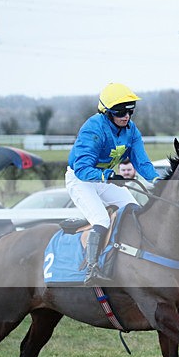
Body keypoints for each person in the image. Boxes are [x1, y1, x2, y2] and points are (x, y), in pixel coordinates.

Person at [66, 82, 161, 284]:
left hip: (104, 178)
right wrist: (108, 176)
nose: (125, 116)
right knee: (101, 219)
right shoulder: (93, 129)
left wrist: (157, 180)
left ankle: (132, 261)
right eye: (119, 112)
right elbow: (82, 169)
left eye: (130, 111)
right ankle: (92, 269)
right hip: (81, 179)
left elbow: (141, 161)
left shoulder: (132, 130)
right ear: (107, 112)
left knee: (133, 210)